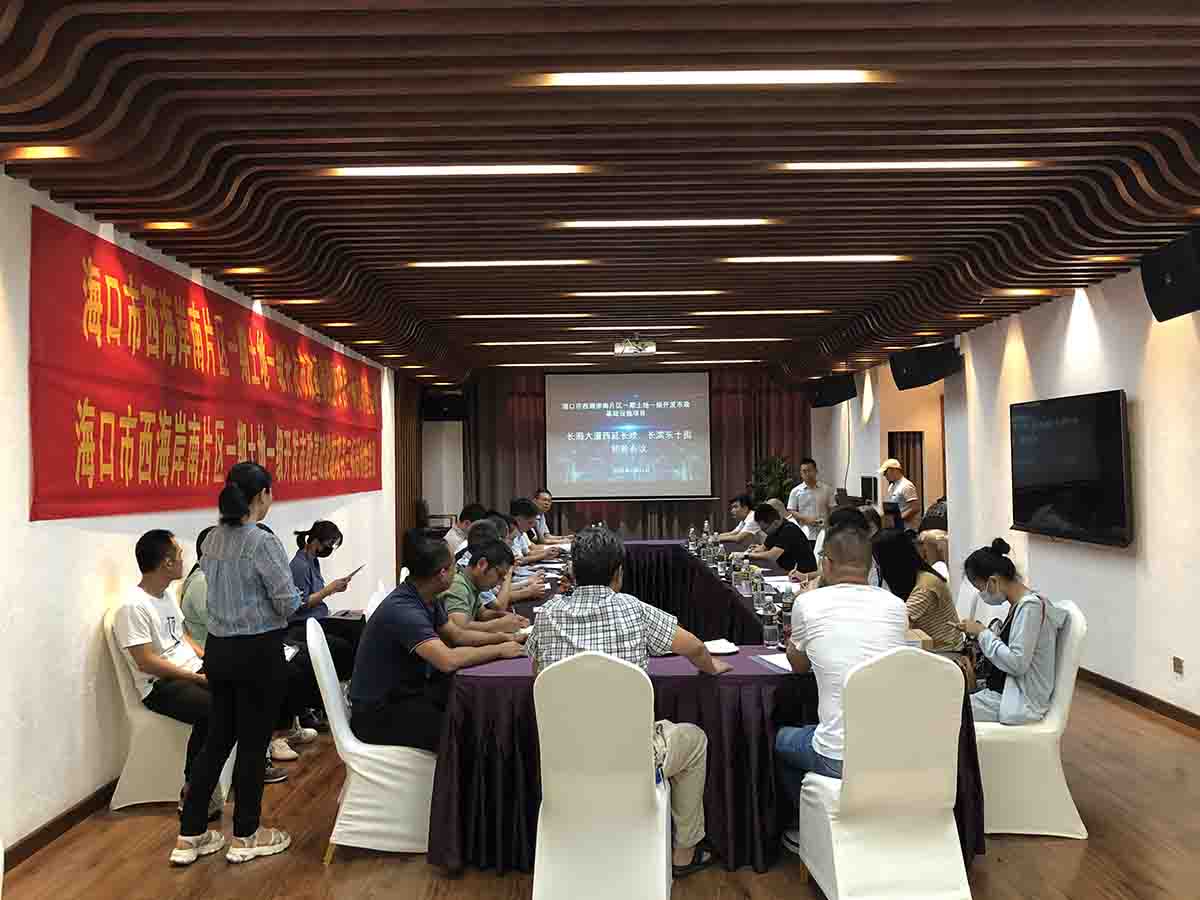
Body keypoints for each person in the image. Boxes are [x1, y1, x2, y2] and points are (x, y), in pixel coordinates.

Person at [526, 526, 731, 878]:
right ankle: (685, 852)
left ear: (572, 571)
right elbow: (696, 647)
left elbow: (538, 674)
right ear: (618, 573)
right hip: (634, 762)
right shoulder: (634, 610)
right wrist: (712, 667)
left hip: (564, 762)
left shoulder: (546, 615)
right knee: (695, 741)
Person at [172, 462, 300, 867]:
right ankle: (246, 834)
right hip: (258, 652)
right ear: (262, 495)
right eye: (271, 492)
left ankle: (190, 834)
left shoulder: (210, 539)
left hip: (219, 652)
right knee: (253, 743)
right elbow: (287, 603)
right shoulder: (263, 542)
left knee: (216, 741)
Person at [776, 525, 908, 854]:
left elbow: (798, 666)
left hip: (837, 756)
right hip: (897, 752)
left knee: (782, 740)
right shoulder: (896, 606)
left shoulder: (808, 603)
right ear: (871, 566)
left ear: (827, 563)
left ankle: (807, 830)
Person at [349, 531, 525, 751]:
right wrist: (499, 650)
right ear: (442, 573)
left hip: (409, 692)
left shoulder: (426, 597)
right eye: (453, 567)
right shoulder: (404, 610)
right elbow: (447, 660)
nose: (457, 571)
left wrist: (505, 639)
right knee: (472, 734)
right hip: (379, 713)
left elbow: (457, 635)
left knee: (478, 709)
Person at [182, 526, 317, 765]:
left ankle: (285, 729)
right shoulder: (204, 581)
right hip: (226, 654)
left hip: (236, 648)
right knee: (286, 672)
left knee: (301, 659)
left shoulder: (216, 575)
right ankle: (273, 739)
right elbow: (230, 621)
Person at [113, 530, 222, 822]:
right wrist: (196, 678)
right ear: (166, 563)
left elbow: (181, 636)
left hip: (189, 672)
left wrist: (207, 659)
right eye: (180, 555)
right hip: (161, 686)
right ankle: (193, 790)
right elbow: (146, 662)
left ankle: (224, 776)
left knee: (242, 688)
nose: (184, 560)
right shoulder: (132, 606)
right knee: (216, 710)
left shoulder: (166, 595)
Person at [957, 539, 1066, 725]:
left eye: (980, 589)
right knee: (948, 700)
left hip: (1019, 701)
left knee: (945, 709)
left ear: (993, 581)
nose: (982, 595)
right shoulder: (1020, 606)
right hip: (1007, 691)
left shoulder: (1030, 608)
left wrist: (982, 633)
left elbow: (1017, 663)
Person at [287, 520, 362, 682]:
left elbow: (316, 594)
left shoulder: (312, 561)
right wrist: (329, 589)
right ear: (315, 541)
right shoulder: (299, 566)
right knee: (345, 645)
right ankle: (345, 683)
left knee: (358, 625)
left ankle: (356, 679)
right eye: (328, 545)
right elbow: (301, 604)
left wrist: (335, 588)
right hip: (304, 622)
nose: (329, 549)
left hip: (318, 616)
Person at [873, 529, 961, 652]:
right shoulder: (915, 578)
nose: (876, 567)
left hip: (946, 652)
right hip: (930, 649)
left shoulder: (926, 586)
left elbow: (897, 623)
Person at [438, 540, 528, 634]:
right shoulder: (458, 585)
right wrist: (498, 625)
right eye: (499, 575)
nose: (500, 582)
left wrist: (505, 616)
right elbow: (459, 627)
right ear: (482, 564)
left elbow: (482, 614)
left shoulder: (472, 584)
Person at [746, 502, 817, 573]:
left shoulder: (789, 529)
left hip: (803, 574)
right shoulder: (773, 530)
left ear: (775, 523)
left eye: (765, 529)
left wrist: (748, 555)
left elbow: (771, 556)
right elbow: (762, 549)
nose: (764, 532)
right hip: (788, 571)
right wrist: (753, 551)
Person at [786, 457, 837, 542]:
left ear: (816, 471)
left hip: (823, 532)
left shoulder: (826, 489)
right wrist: (806, 519)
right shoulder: (795, 491)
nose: (807, 474)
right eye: (804, 471)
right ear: (801, 473)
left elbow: (832, 508)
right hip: (804, 532)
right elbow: (791, 510)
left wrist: (828, 522)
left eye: (809, 470)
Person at [509, 498, 561, 563]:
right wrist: (543, 555)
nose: (533, 526)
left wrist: (548, 551)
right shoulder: (510, 533)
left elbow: (528, 552)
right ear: (518, 519)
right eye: (530, 522)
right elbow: (517, 561)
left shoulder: (522, 532)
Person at [879, 458, 921, 530]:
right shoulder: (891, 486)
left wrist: (900, 519)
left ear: (894, 470)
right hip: (896, 527)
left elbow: (915, 508)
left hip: (907, 529)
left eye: (885, 472)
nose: (884, 475)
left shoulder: (906, 485)